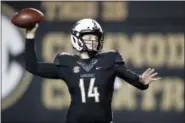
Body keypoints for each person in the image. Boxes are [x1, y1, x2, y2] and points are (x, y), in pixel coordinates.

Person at [25, 19, 160, 123]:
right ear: (76, 38)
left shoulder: (110, 59)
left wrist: (142, 81)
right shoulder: (67, 62)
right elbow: (32, 66)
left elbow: (136, 81)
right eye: (88, 37)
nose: (92, 41)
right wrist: (30, 36)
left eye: (95, 38)